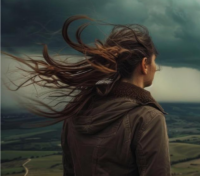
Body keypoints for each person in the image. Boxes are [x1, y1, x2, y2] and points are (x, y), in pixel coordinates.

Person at [0, 15, 171, 175]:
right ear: (144, 65)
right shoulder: (148, 118)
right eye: (154, 61)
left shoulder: (77, 109)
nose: (156, 68)